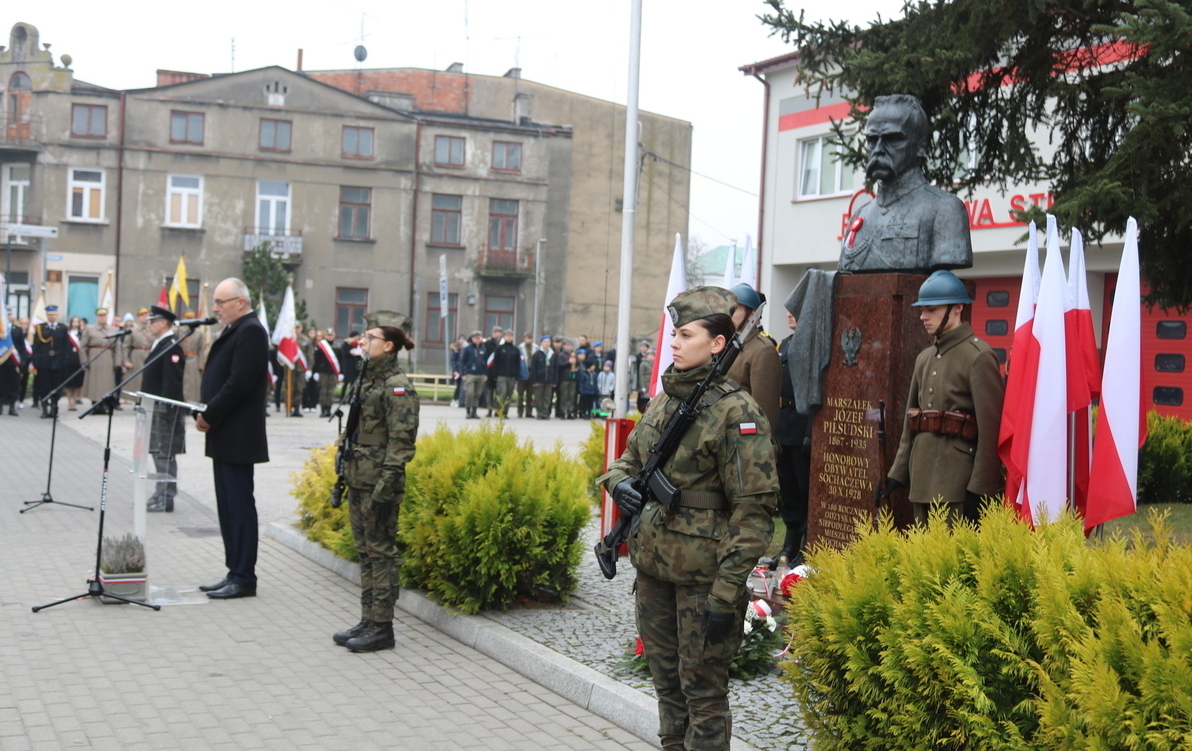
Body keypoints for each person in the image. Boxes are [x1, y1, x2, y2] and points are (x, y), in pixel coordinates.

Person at [598, 286, 778, 751]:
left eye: (685, 334)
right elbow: (627, 461)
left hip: (704, 579)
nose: (673, 343)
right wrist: (619, 484)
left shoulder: (737, 412)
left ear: (718, 343)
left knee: (703, 694)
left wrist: (725, 592)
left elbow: (754, 511)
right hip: (655, 570)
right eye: (674, 334)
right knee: (667, 685)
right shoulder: (666, 399)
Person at [878, 270, 1005, 524]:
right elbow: (911, 423)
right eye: (922, 310)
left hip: (958, 482)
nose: (923, 317)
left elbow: (991, 432)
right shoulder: (924, 357)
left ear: (957, 307)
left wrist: (980, 490)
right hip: (922, 478)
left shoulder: (978, 356)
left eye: (932, 310)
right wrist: (895, 475)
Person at [331, 311, 420, 652]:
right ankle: (368, 619)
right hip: (359, 479)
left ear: (389, 345)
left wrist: (385, 488)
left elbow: (401, 444)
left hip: (379, 485)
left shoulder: (397, 387)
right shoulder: (368, 379)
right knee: (366, 554)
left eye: (370, 338)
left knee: (381, 554)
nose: (362, 342)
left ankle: (382, 627)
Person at [838, 94, 972, 273]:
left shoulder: (945, 209)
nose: (878, 150)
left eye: (892, 139)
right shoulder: (860, 216)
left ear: (921, 147)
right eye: (872, 140)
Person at [195, 278, 270, 599]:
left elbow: (239, 383)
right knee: (227, 506)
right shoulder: (236, 328)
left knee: (239, 506)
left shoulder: (251, 330)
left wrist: (210, 413)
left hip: (238, 435)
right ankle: (233, 572)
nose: (215, 308)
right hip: (226, 434)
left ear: (240, 302)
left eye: (220, 302)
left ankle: (244, 578)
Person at [141, 305, 187, 512]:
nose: (149, 324)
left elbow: (172, 383)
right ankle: (160, 492)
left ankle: (167, 496)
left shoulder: (172, 346)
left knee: (165, 454)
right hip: (154, 409)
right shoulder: (160, 344)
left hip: (165, 412)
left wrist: (165, 410)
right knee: (157, 452)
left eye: (152, 321)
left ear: (163, 323)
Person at [775, 310, 812, 565]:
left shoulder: (811, 343)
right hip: (784, 424)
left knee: (804, 491)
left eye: (795, 310)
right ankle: (789, 546)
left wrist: (810, 431)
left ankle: (805, 547)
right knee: (788, 491)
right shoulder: (785, 343)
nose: (788, 314)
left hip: (801, 423)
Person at [726, 283, 782, 433]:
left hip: (746, 443)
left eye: (735, 308)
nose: (729, 313)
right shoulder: (728, 346)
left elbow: (764, 412)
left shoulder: (763, 350)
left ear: (752, 313)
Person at [31, 306, 70, 417]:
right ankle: (44, 408)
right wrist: (36, 361)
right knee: (44, 386)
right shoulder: (40, 328)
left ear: (57, 315)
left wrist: (65, 361)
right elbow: (36, 346)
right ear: (47, 316)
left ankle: (54, 407)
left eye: (53, 314)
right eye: (49, 315)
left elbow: (66, 346)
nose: (51, 316)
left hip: (58, 362)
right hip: (44, 361)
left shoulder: (62, 328)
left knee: (56, 386)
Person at [81, 308, 121, 414]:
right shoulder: (90, 329)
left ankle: (104, 406)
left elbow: (117, 347)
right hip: (94, 358)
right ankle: (94, 405)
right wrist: (85, 361)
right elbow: (83, 346)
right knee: (94, 384)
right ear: (97, 317)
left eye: (104, 316)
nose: (102, 318)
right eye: (100, 316)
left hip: (108, 358)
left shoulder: (114, 330)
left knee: (107, 383)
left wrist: (117, 362)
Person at [490, 329, 521, 418]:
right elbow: (495, 362)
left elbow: (517, 364)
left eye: (510, 336)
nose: (509, 338)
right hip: (501, 375)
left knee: (508, 395)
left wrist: (517, 376)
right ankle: (498, 411)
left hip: (511, 376)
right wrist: (495, 374)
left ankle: (505, 413)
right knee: (501, 393)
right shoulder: (500, 348)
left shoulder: (515, 350)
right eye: (507, 336)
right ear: (504, 337)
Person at [122, 307, 153, 393]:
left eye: (146, 315)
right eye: (142, 315)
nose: (144, 317)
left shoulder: (153, 330)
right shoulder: (133, 331)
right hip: (136, 358)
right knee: (136, 381)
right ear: (138, 318)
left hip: (149, 356)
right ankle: (137, 402)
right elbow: (126, 347)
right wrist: (126, 360)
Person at [459, 330, 489, 419]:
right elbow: (462, 362)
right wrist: (463, 373)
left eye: (479, 338)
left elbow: (486, 362)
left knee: (477, 394)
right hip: (470, 374)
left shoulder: (483, 348)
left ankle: (474, 412)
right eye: (476, 338)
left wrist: (486, 374)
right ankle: (468, 411)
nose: (478, 340)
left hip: (480, 374)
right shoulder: (468, 349)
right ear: (472, 339)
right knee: (470, 393)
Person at [314, 329, 342, 418]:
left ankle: (328, 410)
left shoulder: (337, 346)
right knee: (323, 391)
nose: (330, 336)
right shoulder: (321, 346)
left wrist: (342, 373)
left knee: (330, 391)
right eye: (328, 335)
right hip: (323, 372)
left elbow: (341, 360)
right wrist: (315, 372)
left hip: (333, 372)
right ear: (325, 335)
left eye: (331, 335)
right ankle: (322, 410)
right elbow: (316, 360)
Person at [529, 335, 555, 420]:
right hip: (539, 380)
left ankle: (546, 412)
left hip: (549, 380)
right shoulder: (537, 354)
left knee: (547, 397)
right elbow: (533, 368)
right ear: (541, 343)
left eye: (548, 342)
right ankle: (539, 413)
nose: (547, 343)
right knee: (539, 397)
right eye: (545, 342)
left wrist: (554, 381)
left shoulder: (552, 354)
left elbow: (555, 368)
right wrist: (534, 380)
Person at [63, 316, 86, 409]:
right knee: (69, 382)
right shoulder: (67, 334)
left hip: (79, 360)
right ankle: (69, 401)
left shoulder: (82, 334)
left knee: (77, 382)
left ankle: (75, 399)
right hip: (68, 360)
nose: (75, 324)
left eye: (77, 322)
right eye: (74, 322)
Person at [516, 331, 535, 417]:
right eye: (527, 338)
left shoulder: (535, 348)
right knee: (520, 395)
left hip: (531, 375)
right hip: (522, 375)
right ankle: (520, 412)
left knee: (530, 395)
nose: (528, 340)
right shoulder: (520, 348)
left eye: (530, 338)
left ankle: (529, 412)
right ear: (524, 339)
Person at [576, 350, 599, 417]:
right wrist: (581, 390)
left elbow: (595, 383)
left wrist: (595, 390)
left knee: (590, 403)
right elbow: (581, 382)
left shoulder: (594, 374)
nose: (594, 367)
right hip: (585, 391)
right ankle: (583, 413)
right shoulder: (583, 374)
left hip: (591, 391)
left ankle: (589, 413)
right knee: (584, 403)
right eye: (593, 366)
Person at [636, 349, 655, 414]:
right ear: (647, 356)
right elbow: (641, 375)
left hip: (651, 385)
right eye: (650, 355)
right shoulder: (643, 364)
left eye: (653, 355)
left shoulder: (654, 364)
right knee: (644, 401)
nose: (652, 356)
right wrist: (642, 386)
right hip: (645, 385)